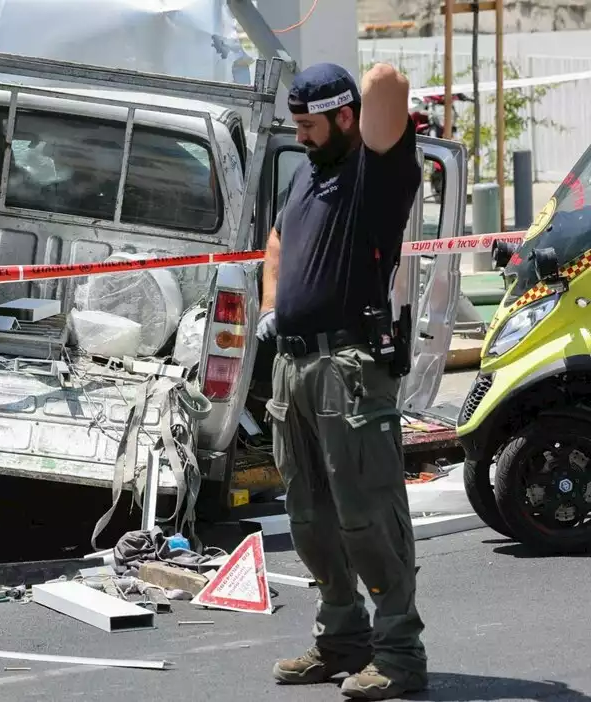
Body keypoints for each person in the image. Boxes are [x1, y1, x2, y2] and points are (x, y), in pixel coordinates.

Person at [256, 62, 426, 700]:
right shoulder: (307, 174)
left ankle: (400, 655)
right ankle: (341, 640)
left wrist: (357, 79)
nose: (299, 136)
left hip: (350, 368)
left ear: (345, 118)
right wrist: (273, 307)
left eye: (308, 124)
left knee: (368, 518)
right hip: (294, 366)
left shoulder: (374, 174)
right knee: (309, 519)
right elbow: (275, 244)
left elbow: (388, 82)